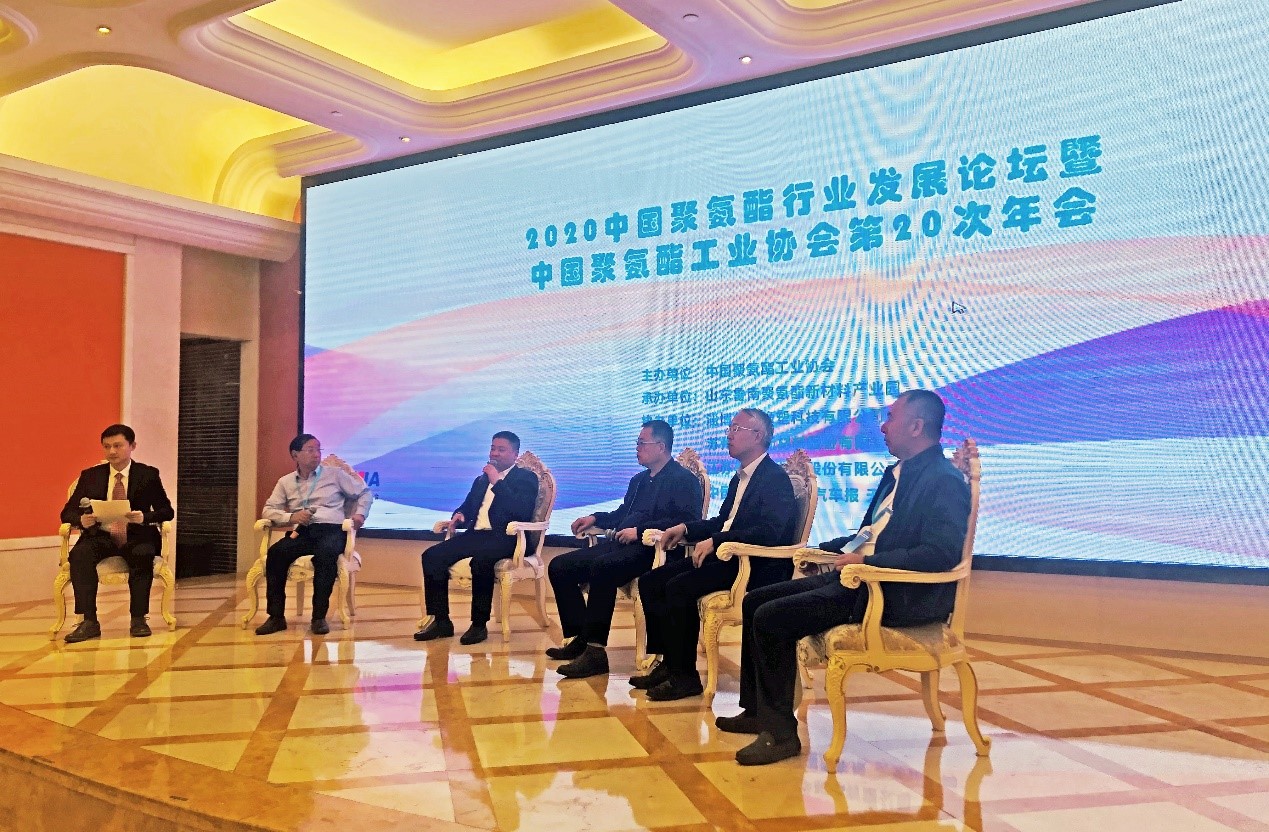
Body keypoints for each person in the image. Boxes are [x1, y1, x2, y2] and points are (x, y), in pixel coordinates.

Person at [717, 390, 971, 765]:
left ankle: (780, 735)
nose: (882, 427)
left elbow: (940, 553)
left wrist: (867, 560)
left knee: (772, 617)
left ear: (917, 426)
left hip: (893, 593)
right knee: (756, 600)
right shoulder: (897, 473)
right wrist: (829, 550)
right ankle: (757, 712)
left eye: (890, 418)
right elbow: (868, 533)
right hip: (859, 577)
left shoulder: (943, 480)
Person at [632, 408, 799, 701]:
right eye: (729, 428)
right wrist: (685, 528)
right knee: (651, 582)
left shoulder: (774, 478)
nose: (728, 435)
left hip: (754, 565)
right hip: (727, 558)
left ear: (757, 436)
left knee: (678, 587)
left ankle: (685, 678)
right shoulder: (740, 478)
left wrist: (718, 540)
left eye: (736, 429)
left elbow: (769, 532)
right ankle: (670, 664)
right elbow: (723, 522)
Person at [546, 420, 703, 678]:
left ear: (661, 446)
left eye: (642, 443)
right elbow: (623, 514)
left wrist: (640, 531)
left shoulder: (684, 480)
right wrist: (595, 518)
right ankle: (581, 638)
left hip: (655, 550)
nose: (637, 448)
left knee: (603, 567)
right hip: (622, 545)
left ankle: (595, 652)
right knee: (560, 566)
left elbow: (687, 520)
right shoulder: (639, 480)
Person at [414, 431, 539, 645]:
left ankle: (479, 625)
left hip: (508, 538)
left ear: (515, 454)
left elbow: (520, 511)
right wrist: (460, 515)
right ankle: (441, 621)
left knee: (482, 561)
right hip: (476, 535)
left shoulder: (526, 478)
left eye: (501, 450)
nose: (494, 453)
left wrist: (497, 481)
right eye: (492, 448)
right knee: (432, 556)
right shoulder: (481, 480)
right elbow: (468, 506)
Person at [59, 424, 175, 642]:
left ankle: (138, 619)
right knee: (80, 554)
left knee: (142, 553)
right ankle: (89, 621)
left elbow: (167, 511)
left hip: (136, 535)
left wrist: (144, 517)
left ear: (132, 446)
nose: (112, 451)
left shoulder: (148, 475)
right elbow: (67, 512)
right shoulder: (90, 476)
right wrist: (81, 520)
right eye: (107, 446)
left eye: (118, 446)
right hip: (101, 535)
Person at [254, 434, 373, 636]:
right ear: (295, 455)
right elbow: (268, 510)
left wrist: (360, 513)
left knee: (326, 554)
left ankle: (318, 617)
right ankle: (276, 617)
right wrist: (291, 516)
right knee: (276, 554)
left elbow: (365, 493)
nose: (316, 454)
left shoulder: (334, 475)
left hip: (331, 530)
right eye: (310, 450)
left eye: (318, 449)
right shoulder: (285, 482)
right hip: (302, 531)